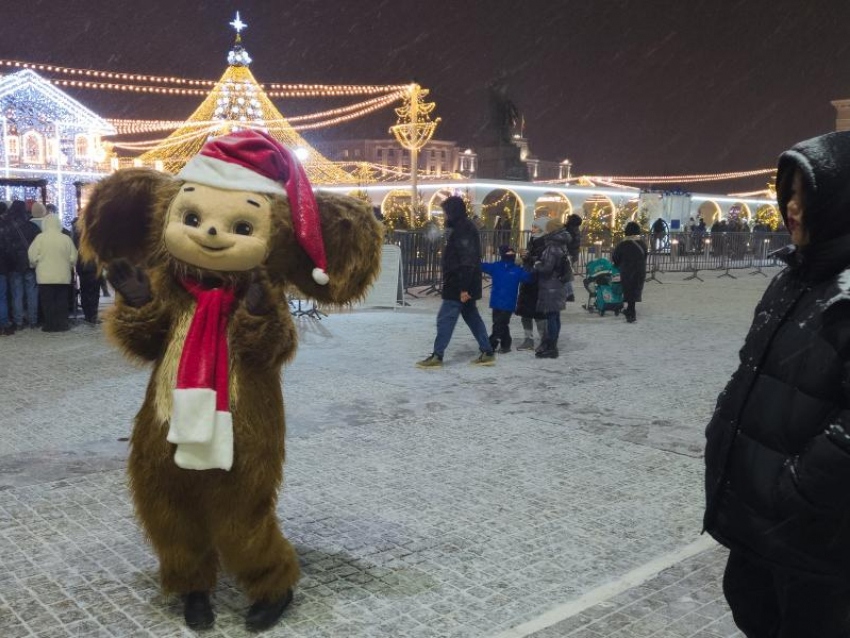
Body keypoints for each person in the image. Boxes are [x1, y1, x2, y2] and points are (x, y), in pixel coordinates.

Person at [704, 132, 850, 638]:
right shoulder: (792, 278)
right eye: (786, 193)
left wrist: (797, 487)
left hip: (820, 544)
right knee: (754, 610)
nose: (791, 208)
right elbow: (754, 368)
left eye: (805, 196)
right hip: (763, 529)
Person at [417, 196, 495, 368]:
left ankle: (437, 355)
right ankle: (487, 351)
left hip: (459, 282)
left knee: (445, 318)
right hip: (461, 281)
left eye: (446, 212)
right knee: (471, 316)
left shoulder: (464, 229)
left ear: (453, 211)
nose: (444, 215)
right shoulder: (458, 227)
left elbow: (467, 260)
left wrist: (464, 288)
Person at [28, 214, 76, 332]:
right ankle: (62, 324)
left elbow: (32, 256)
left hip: (44, 277)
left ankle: (50, 325)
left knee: (47, 302)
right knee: (62, 301)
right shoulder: (66, 238)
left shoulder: (40, 238)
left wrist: (35, 264)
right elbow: (73, 257)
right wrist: (68, 266)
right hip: (63, 276)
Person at [481, 245, 531, 353]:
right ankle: (506, 344)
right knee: (500, 324)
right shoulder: (497, 266)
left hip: (508, 303)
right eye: (508, 253)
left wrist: (531, 266)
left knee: (499, 324)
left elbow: (529, 278)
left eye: (512, 253)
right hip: (496, 302)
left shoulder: (516, 269)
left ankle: (491, 344)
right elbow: (481, 266)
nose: (510, 254)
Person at [533, 219, 568, 359]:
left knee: (552, 317)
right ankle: (551, 344)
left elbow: (547, 268)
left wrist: (537, 264)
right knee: (555, 316)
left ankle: (552, 347)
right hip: (558, 284)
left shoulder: (552, 247)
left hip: (550, 286)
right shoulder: (562, 244)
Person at [4, 200, 40, 331]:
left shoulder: (7, 226)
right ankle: (33, 321)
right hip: (29, 263)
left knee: (16, 294)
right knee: (32, 292)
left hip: (14, 265)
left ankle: (18, 322)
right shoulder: (32, 226)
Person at [515, 218, 549, 351]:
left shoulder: (545, 242)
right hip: (528, 279)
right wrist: (524, 257)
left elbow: (543, 260)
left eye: (535, 227)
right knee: (526, 312)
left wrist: (529, 257)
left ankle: (544, 340)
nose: (533, 229)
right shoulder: (532, 240)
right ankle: (528, 340)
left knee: (539, 314)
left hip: (538, 282)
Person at [612, 221, 647, 323]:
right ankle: (630, 310)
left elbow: (616, 258)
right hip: (640, 270)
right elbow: (645, 256)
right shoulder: (642, 244)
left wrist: (618, 264)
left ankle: (630, 312)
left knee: (628, 290)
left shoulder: (622, 245)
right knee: (635, 290)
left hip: (627, 270)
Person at [72, 215, 101, 324]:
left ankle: (87, 314)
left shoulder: (76, 233)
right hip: (94, 265)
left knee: (84, 290)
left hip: (82, 265)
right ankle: (93, 315)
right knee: (94, 290)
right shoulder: (95, 232)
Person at [564, 214, 582, 302]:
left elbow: (568, 242)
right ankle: (569, 294)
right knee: (566, 273)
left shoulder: (570, 230)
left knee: (565, 274)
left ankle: (569, 294)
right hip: (572, 254)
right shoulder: (576, 230)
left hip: (568, 254)